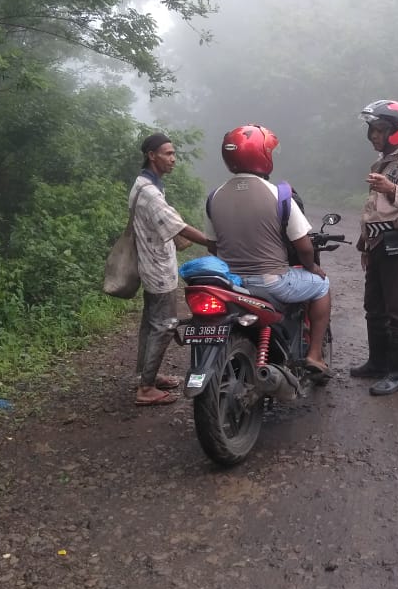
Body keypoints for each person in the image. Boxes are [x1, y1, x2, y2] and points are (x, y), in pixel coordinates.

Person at [203, 124, 333, 378]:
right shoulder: (280, 195)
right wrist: (312, 268)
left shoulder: (214, 197)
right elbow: (304, 247)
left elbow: (213, 246)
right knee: (322, 285)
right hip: (271, 282)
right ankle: (314, 354)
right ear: (263, 155)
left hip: (231, 284)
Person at [351, 100, 398, 396]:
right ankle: (378, 363)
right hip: (378, 243)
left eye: (380, 130)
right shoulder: (384, 163)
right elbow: (375, 210)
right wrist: (365, 245)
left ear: (396, 131)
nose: (373, 135)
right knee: (374, 308)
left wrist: (392, 189)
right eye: (372, 129)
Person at [131, 132, 210, 406]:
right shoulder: (150, 192)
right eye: (168, 153)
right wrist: (213, 243)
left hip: (153, 263)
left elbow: (169, 224)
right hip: (157, 268)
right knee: (164, 326)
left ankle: (146, 375)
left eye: (174, 154)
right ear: (152, 156)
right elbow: (178, 226)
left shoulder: (147, 185)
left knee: (150, 324)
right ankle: (146, 388)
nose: (173, 159)